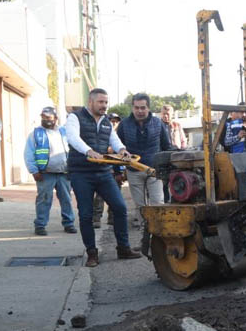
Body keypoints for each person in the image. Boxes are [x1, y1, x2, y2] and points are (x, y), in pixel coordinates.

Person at [66, 88, 141, 267]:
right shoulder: (75, 117)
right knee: (86, 215)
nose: (104, 106)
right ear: (90, 102)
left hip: (103, 172)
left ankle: (123, 248)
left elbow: (114, 141)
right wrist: (89, 151)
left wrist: (122, 150)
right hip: (81, 173)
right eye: (101, 102)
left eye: (106, 102)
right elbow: (72, 138)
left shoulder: (107, 122)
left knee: (120, 207)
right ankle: (92, 253)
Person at [116, 93, 172, 225]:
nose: (140, 111)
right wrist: (117, 172)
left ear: (148, 108)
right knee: (140, 207)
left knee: (158, 203)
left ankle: (159, 234)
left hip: (154, 170)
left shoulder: (158, 123)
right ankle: (144, 236)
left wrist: (168, 168)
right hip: (133, 171)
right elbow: (117, 148)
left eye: (143, 108)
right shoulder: (124, 125)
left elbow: (166, 146)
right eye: (137, 108)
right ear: (132, 108)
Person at [24, 107, 76, 236]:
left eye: (49, 118)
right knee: (44, 199)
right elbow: (28, 154)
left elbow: (73, 150)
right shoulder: (35, 134)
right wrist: (34, 170)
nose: (46, 120)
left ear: (55, 118)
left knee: (66, 199)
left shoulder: (64, 132)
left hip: (64, 172)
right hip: (45, 173)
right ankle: (40, 225)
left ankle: (69, 223)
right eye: (44, 117)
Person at [93, 113, 121, 227]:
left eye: (116, 121)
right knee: (100, 196)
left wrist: (120, 172)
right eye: (112, 121)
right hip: (103, 170)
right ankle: (96, 219)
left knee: (115, 196)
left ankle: (112, 218)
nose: (114, 123)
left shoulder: (119, 137)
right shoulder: (101, 135)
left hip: (116, 171)